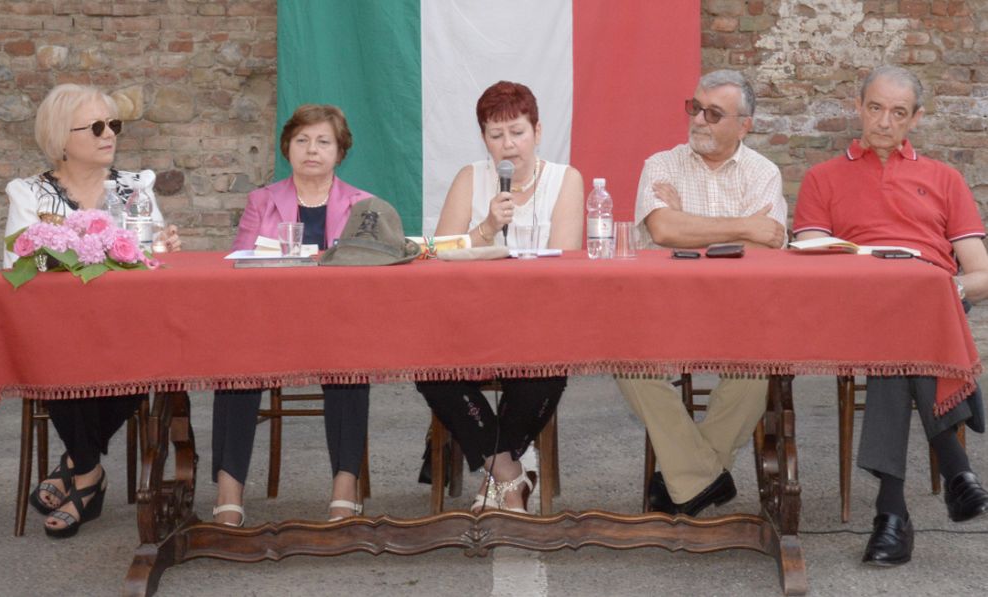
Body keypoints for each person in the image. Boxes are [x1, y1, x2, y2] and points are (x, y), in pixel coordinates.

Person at [793, 65, 988, 566]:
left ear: (915, 118)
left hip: (931, 303)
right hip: (857, 306)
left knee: (905, 328)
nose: (884, 121)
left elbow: (981, 274)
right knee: (899, 325)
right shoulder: (822, 178)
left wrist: (948, 291)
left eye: (898, 113)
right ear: (858, 107)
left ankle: (892, 513)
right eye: (875, 108)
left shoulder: (944, 178)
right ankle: (956, 469)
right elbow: (811, 258)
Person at [3, 83, 181, 537]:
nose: (110, 134)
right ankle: (88, 475)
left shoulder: (135, 187)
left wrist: (163, 245)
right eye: (97, 127)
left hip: (129, 329)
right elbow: (17, 265)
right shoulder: (29, 194)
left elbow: (152, 261)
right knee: (55, 353)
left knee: (153, 354)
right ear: (61, 138)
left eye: (113, 124)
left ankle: (76, 465)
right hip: (62, 332)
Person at [616, 69, 787, 516]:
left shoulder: (763, 173)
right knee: (624, 359)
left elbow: (765, 243)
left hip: (740, 313)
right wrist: (741, 226)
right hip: (666, 311)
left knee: (759, 366)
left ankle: (687, 479)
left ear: (744, 125)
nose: (698, 120)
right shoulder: (661, 164)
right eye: (695, 108)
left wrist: (688, 225)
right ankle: (705, 478)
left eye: (713, 114)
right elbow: (663, 229)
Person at [417, 81, 583, 513]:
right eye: (496, 135)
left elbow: (564, 264)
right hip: (472, 320)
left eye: (517, 132)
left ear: (537, 132)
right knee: (429, 370)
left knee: (546, 371)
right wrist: (487, 228)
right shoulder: (470, 178)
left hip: (536, 321)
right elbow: (438, 254)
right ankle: (510, 475)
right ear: (484, 139)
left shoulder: (565, 180)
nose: (508, 144)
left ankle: (496, 477)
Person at [213, 104, 372, 525]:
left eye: (323, 141)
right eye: (302, 140)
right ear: (287, 148)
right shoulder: (262, 201)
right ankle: (228, 488)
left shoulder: (363, 205)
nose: (312, 150)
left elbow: (369, 276)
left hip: (336, 323)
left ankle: (345, 485)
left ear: (340, 151)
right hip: (269, 323)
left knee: (350, 360)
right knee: (235, 361)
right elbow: (238, 268)